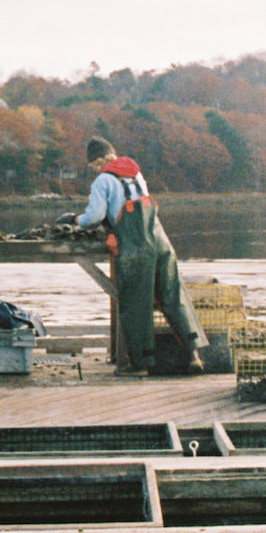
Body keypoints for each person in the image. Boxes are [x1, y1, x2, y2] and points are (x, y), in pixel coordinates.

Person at [59, 136, 207, 377]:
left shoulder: (102, 181)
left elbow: (95, 216)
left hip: (135, 248)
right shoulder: (135, 173)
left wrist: (75, 220)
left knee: (136, 304)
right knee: (173, 296)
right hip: (160, 242)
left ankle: (139, 365)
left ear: (97, 163)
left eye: (92, 166)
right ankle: (194, 356)